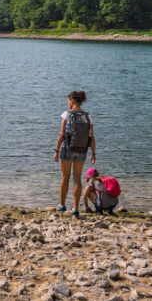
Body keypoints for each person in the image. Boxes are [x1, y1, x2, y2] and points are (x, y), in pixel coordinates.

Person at [53, 90, 96, 218]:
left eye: (68, 100)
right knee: (77, 178)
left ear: (72, 100)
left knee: (65, 177)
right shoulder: (88, 116)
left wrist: (56, 150)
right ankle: (76, 208)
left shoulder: (66, 114)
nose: (67, 102)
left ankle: (62, 205)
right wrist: (93, 154)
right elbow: (92, 137)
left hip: (67, 148)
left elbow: (61, 134)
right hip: (82, 150)